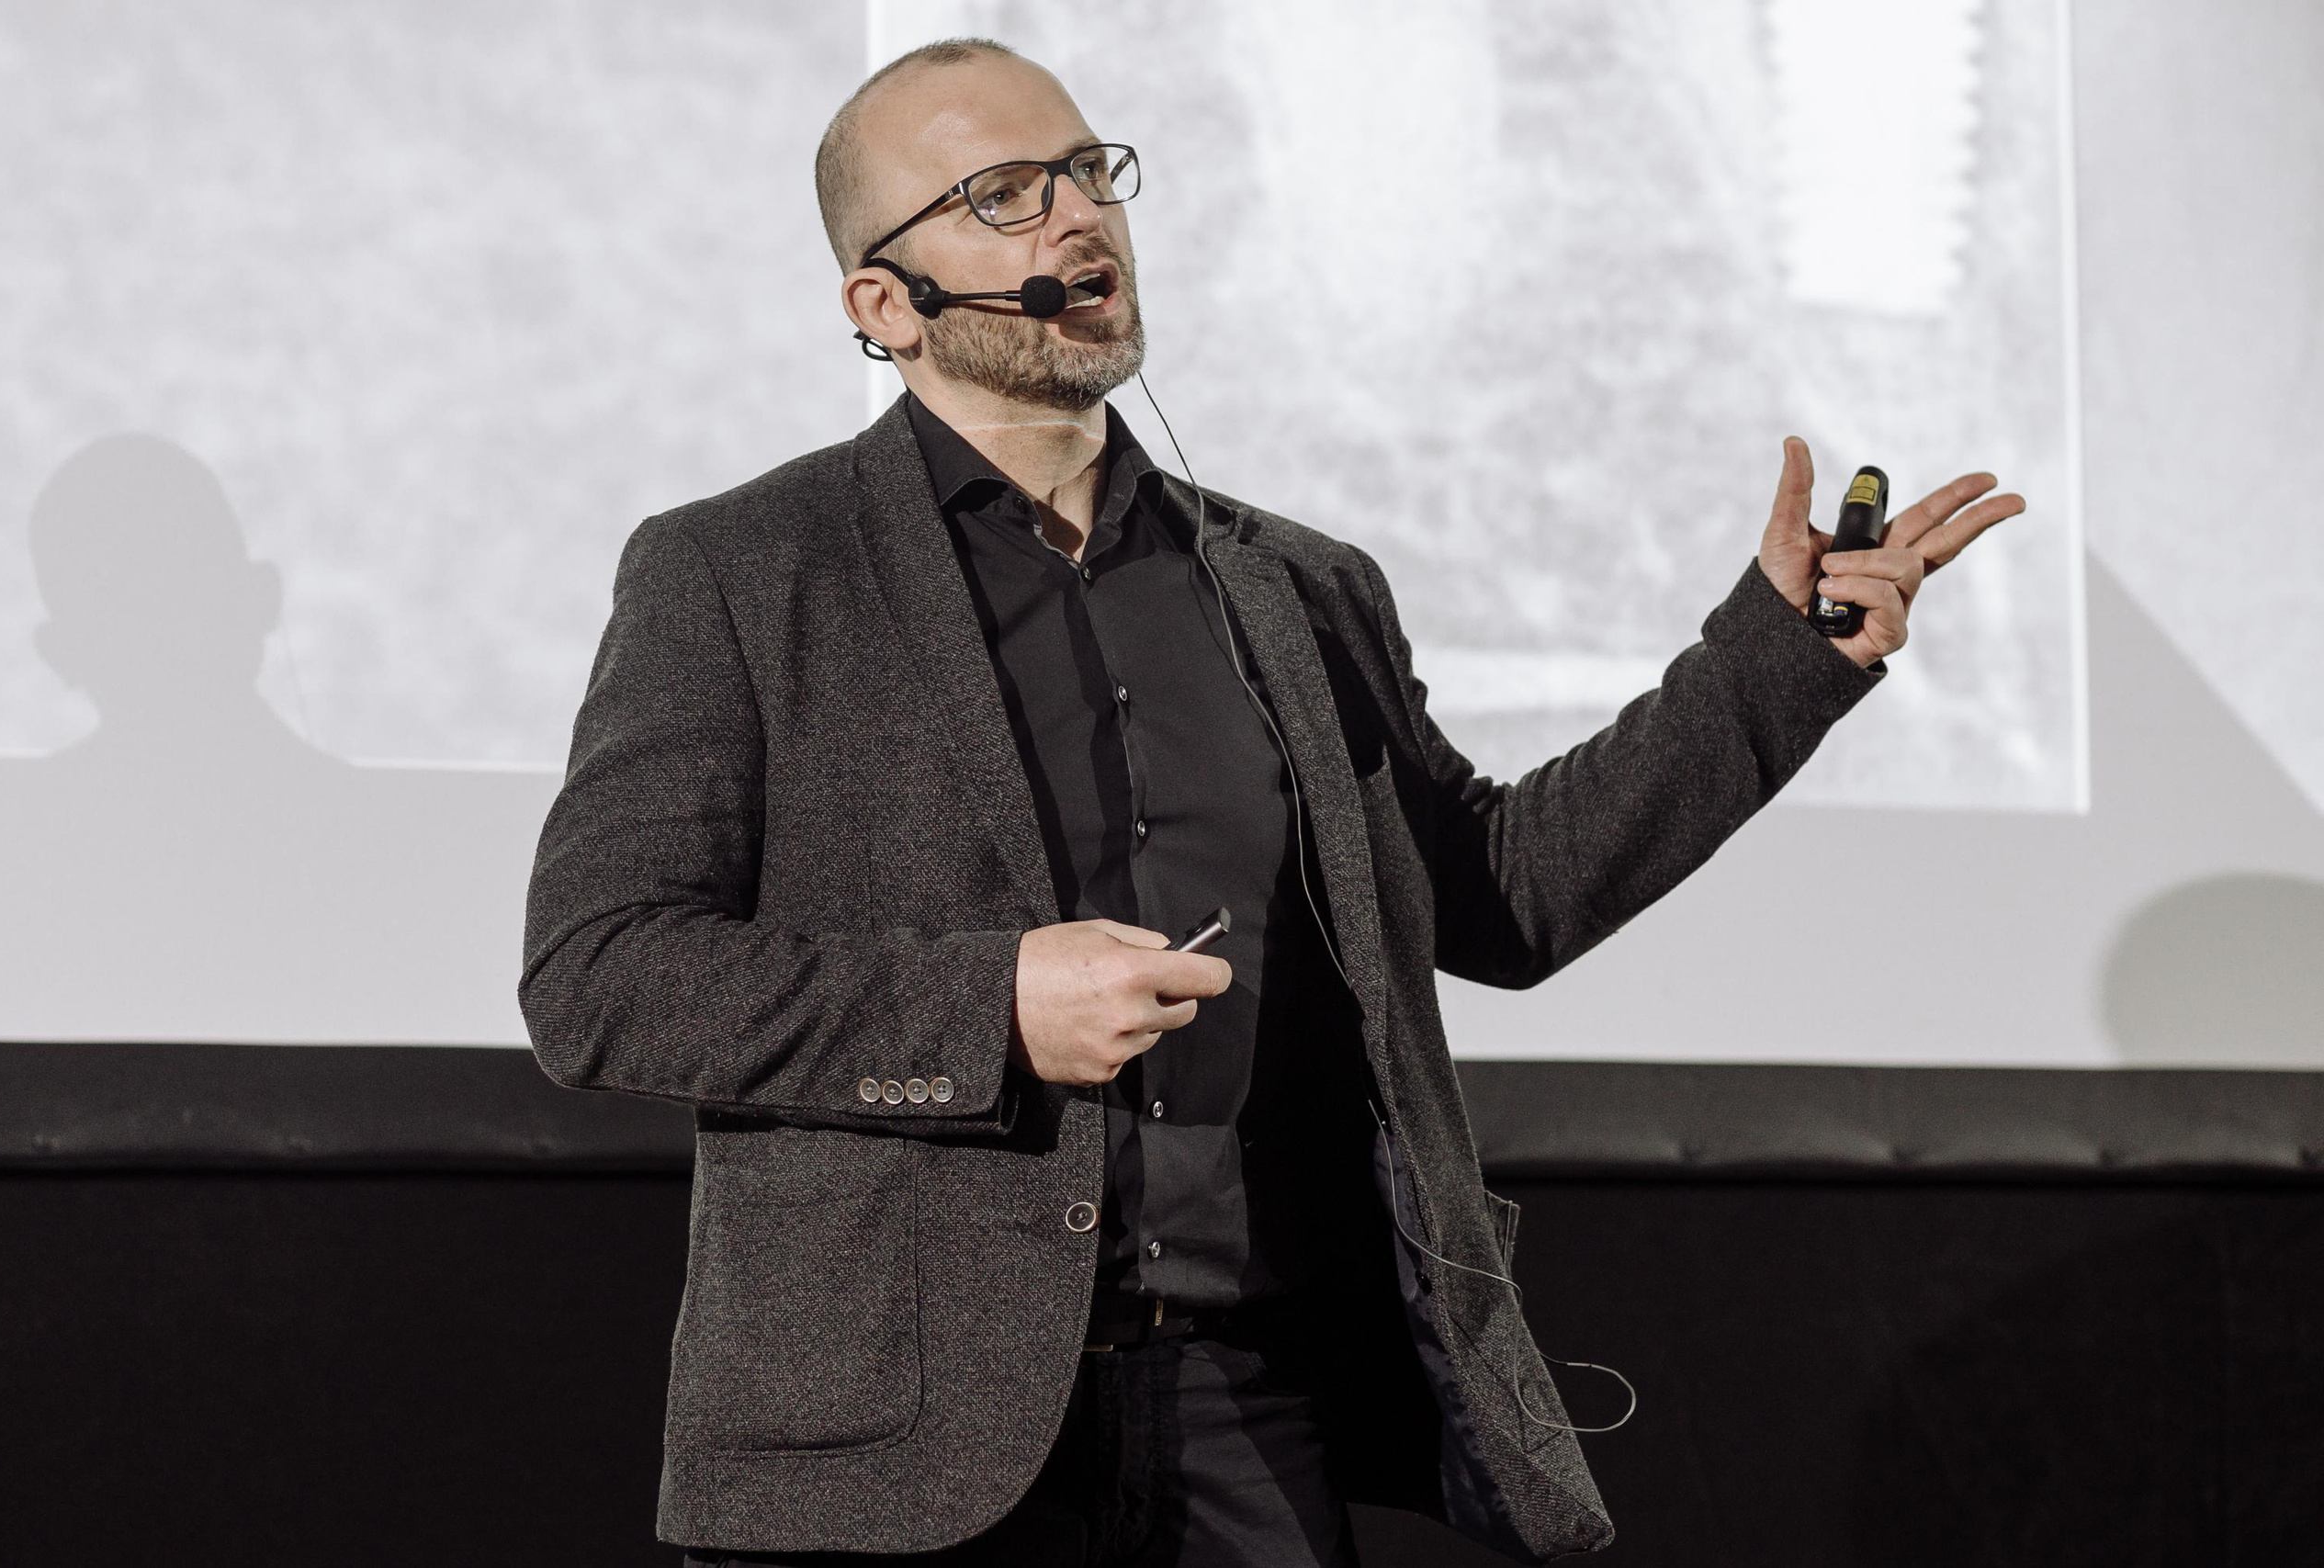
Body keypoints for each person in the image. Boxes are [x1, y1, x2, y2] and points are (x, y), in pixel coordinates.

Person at [517, 37, 2024, 1568]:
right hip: (889, 1443)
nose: (1077, 216)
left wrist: (1780, 662)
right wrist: (994, 1007)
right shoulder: (739, 572)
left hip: (1243, 1412)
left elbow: (1501, 898)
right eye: (1003, 195)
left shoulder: (1296, 587)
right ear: (885, 305)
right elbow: (599, 980)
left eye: (1088, 172)